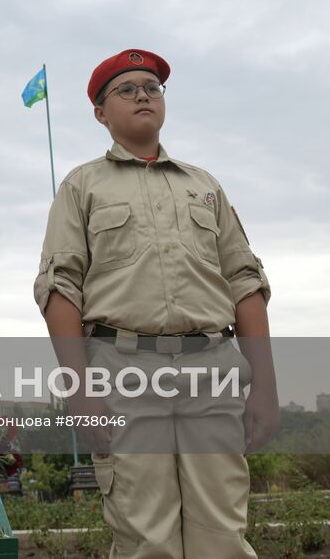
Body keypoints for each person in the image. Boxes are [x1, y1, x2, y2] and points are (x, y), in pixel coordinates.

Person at [33, 50, 279, 558]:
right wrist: (80, 396)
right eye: (127, 89)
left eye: (152, 87)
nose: (143, 94)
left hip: (212, 370)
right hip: (123, 372)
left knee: (224, 533)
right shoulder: (82, 186)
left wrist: (265, 388)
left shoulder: (204, 187)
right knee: (147, 538)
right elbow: (61, 289)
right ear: (101, 113)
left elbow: (245, 283)